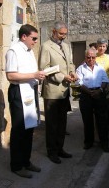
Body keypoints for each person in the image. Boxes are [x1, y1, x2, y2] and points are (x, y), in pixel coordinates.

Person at [5, 24, 46, 178]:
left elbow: (31, 73)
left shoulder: (29, 51)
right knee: (19, 130)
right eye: (33, 38)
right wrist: (34, 75)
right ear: (24, 37)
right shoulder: (14, 51)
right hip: (18, 93)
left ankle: (26, 162)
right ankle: (16, 165)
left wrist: (38, 76)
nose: (35, 41)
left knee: (29, 128)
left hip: (30, 92)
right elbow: (11, 76)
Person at [38, 21, 78, 164]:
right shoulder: (46, 46)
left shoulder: (66, 46)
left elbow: (70, 63)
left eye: (65, 34)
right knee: (52, 124)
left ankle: (60, 148)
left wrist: (73, 73)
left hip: (65, 91)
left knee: (62, 123)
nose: (63, 37)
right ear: (53, 32)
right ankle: (52, 152)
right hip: (52, 91)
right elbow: (44, 68)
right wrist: (62, 77)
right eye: (61, 34)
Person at [76, 48, 109, 152]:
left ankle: (104, 143)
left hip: (99, 95)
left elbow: (105, 81)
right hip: (86, 95)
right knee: (87, 120)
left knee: (102, 121)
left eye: (93, 57)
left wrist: (99, 90)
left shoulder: (100, 68)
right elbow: (79, 83)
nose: (90, 59)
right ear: (85, 57)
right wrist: (90, 92)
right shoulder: (80, 68)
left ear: (96, 57)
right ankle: (88, 142)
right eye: (88, 57)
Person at [95, 38, 109, 127]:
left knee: (107, 106)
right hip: (97, 85)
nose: (102, 48)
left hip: (107, 85)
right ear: (97, 47)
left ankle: (108, 123)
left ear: (106, 47)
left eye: (104, 46)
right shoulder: (93, 56)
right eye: (100, 46)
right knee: (99, 106)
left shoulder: (108, 57)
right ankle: (100, 124)